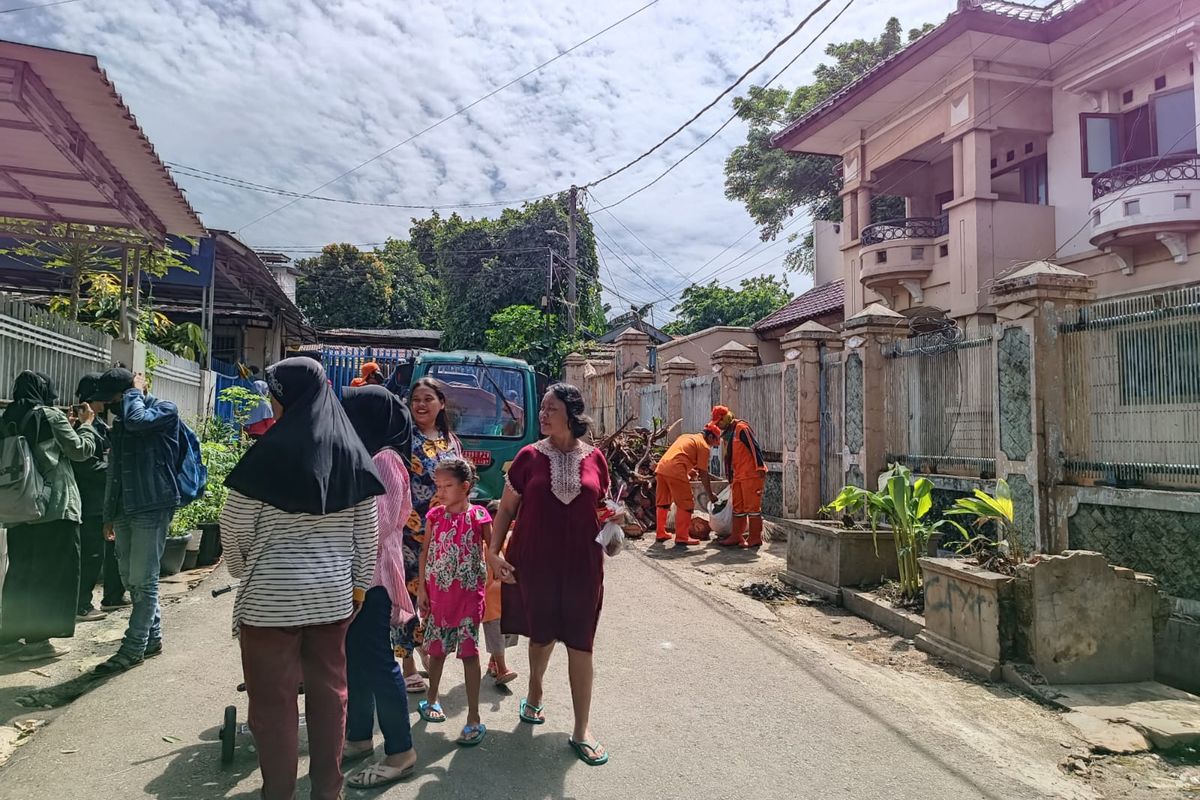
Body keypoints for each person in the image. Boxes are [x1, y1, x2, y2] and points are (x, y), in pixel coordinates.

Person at [219, 358, 383, 800]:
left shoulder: (266, 453)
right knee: (330, 699)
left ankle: (278, 793)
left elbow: (234, 529)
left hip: (269, 604)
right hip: (332, 600)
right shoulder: (352, 453)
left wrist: (242, 569)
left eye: (273, 393)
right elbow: (366, 534)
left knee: (273, 708)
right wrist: (358, 586)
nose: (270, 401)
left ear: (286, 396)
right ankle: (328, 791)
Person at [489, 383, 612, 766]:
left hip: (583, 566)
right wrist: (493, 554)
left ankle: (581, 729)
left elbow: (605, 505)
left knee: (581, 642)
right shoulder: (528, 457)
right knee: (541, 636)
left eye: (550, 408)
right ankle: (535, 691)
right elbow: (506, 510)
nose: (542, 414)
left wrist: (617, 520)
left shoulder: (596, 459)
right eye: (541, 408)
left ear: (571, 415)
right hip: (534, 562)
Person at [340, 385, 419, 789]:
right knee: (355, 658)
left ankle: (400, 750)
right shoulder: (368, 456)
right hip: (359, 576)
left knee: (377, 661)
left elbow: (379, 523)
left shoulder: (385, 460)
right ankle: (356, 737)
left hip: (372, 578)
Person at [89, 368, 183, 676]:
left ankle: (133, 648)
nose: (110, 406)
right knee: (132, 578)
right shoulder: (120, 424)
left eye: (114, 398)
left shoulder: (163, 411)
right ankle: (153, 638)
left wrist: (133, 391)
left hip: (152, 504)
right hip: (124, 509)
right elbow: (114, 471)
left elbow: (137, 422)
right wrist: (108, 515)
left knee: (143, 580)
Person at [0, 372, 98, 662]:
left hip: (18, 509)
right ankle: (37, 642)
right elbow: (80, 451)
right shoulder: (49, 416)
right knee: (53, 576)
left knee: (20, 575)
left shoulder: (6, 418)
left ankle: (7, 640)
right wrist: (87, 426)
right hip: (54, 509)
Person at [416, 459, 491, 746]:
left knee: (470, 655)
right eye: (438, 486)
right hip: (438, 597)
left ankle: (474, 717)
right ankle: (431, 699)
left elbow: (491, 549)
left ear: (466, 487)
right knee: (437, 652)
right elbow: (425, 553)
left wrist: (494, 579)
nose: (442, 492)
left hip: (470, 598)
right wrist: (422, 589)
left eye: (448, 486)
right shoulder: (435, 516)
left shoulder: (480, 517)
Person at [401, 377, 463, 692]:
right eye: (416, 400)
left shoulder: (451, 440)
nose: (421, 405)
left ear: (441, 403)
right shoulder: (402, 438)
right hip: (408, 533)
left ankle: (428, 645)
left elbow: (464, 483)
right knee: (407, 597)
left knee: (436, 595)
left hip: (443, 535)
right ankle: (407, 662)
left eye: (428, 399)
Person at [71, 373, 115, 622]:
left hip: (99, 500)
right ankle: (82, 604)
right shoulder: (82, 425)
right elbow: (86, 466)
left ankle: (86, 601)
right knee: (90, 554)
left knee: (96, 554)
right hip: (89, 501)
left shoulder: (96, 424)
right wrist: (113, 470)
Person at [653, 424, 721, 546]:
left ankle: (660, 533)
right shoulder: (704, 446)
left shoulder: (686, 437)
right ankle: (682, 537)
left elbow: (679, 455)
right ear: (710, 437)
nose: (713, 446)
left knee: (663, 502)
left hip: (662, 468)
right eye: (714, 442)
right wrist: (710, 495)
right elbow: (703, 473)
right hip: (675, 470)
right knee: (686, 503)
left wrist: (689, 471)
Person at [712, 405, 768, 548]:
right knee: (738, 508)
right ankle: (737, 536)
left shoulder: (741, 429)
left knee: (753, 508)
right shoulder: (729, 434)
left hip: (751, 475)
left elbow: (754, 447)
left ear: (725, 418)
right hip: (738, 476)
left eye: (719, 422)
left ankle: (755, 538)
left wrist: (760, 467)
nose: (718, 425)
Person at [483, 499, 518, 686]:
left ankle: (494, 662)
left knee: (508, 635)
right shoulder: (484, 545)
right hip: (491, 599)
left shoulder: (511, 539)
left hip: (509, 599)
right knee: (496, 635)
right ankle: (503, 669)